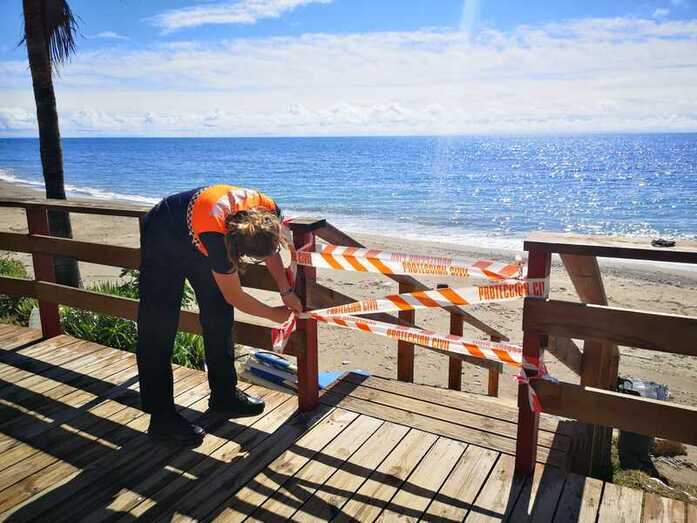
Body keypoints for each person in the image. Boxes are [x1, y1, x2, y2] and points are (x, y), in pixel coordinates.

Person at [136, 184, 302, 446]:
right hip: (164, 233)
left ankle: (224, 396)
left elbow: (271, 251)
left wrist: (286, 290)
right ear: (236, 248)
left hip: (201, 227)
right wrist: (273, 314)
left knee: (219, 316)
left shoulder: (269, 209)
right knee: (158, 326)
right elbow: (235, 296)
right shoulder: (218, 240)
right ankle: (161, 418)